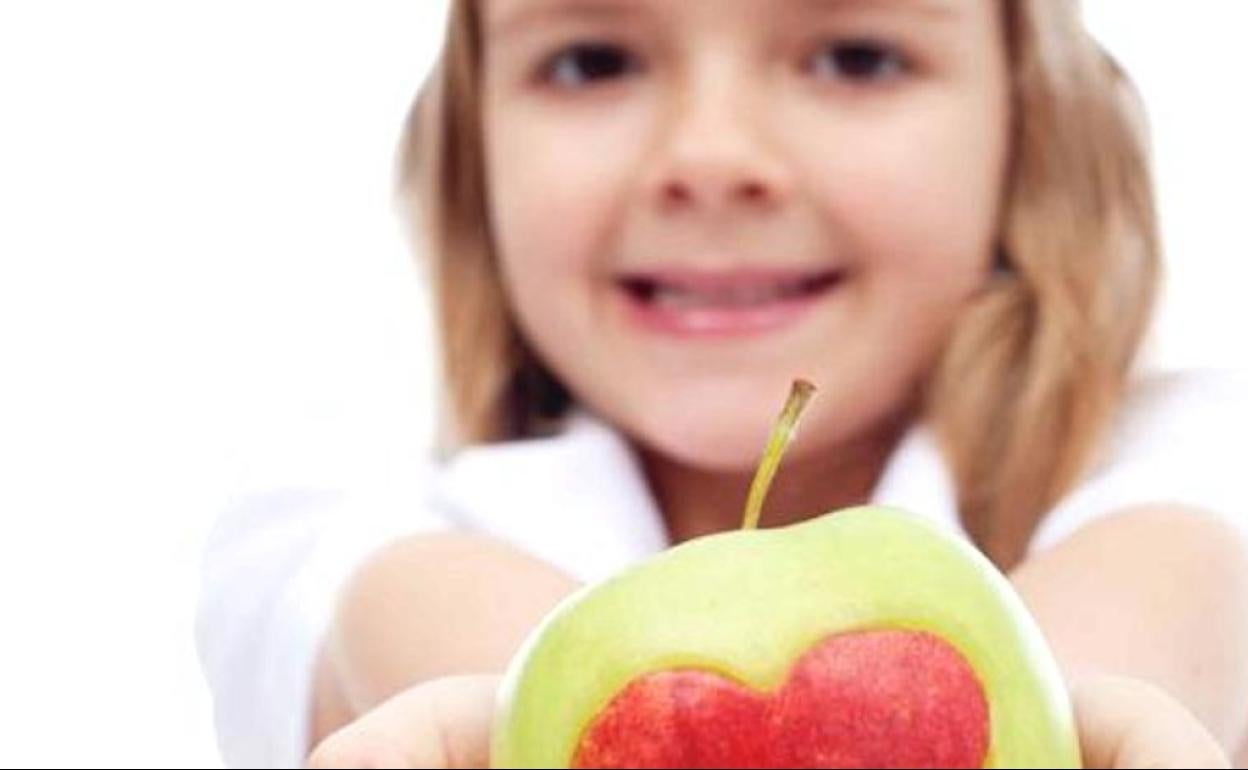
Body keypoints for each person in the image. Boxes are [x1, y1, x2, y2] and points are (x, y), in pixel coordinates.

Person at [196, 0, 1248, 767]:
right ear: (473, 161)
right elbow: (400, 612)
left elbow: (1167, 595)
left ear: (1033, 131)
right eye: (591, 60)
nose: (709, 156)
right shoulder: (345, 507)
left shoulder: (1175, 449)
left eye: (856, 55)